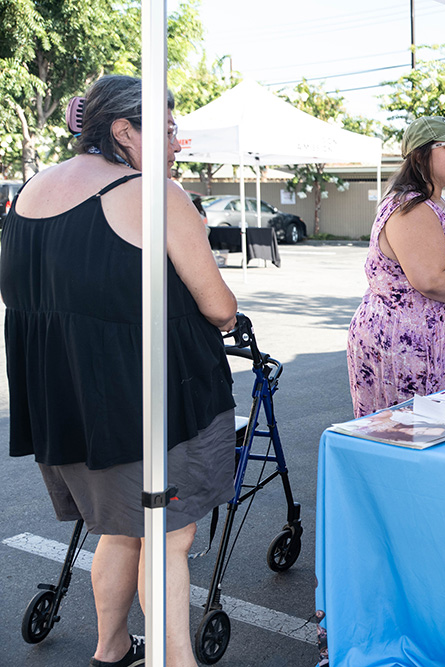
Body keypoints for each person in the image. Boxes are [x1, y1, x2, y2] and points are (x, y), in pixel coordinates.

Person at [0, 75, 238, 667]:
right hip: (151, 402)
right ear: (125, 130)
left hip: (67, 399)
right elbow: (219, 307)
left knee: (121, 527)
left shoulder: (31, 189)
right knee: (169, 535)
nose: (177, 143)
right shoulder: (155, 194)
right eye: (168, 129)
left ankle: (111, 650)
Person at [347, 116, 445, 418]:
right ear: (421, 155)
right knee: (410, 435)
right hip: (412, 353)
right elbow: (430, 279)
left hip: (439, 349)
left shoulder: (435, 203)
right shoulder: (411, 207)